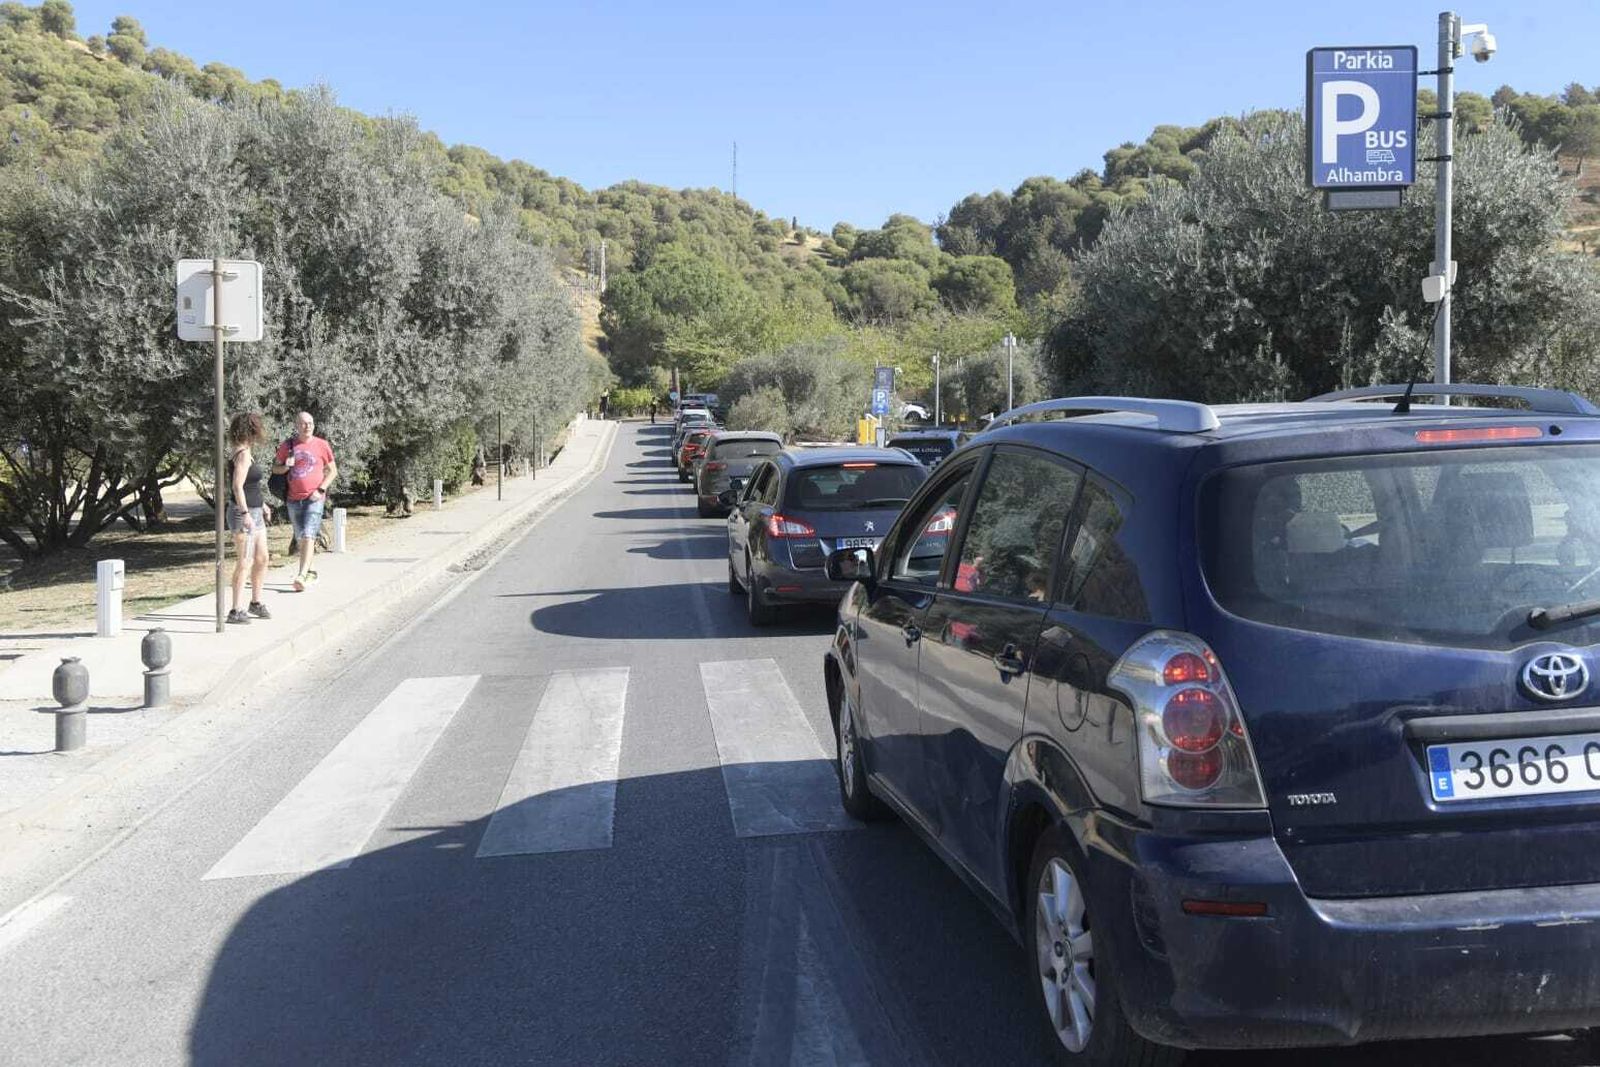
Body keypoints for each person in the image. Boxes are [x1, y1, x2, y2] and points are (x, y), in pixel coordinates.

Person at [273, 411, 337, 592]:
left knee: (309, 534)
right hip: (293, 499)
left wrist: (321, 489)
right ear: (297, 426)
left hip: (314, 498)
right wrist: (286, 466)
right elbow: (275, 469)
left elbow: (333, 471)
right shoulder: (288, 445)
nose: (307, 426)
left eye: (310, 423)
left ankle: (301, 575)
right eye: (303, 423)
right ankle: (311, 571)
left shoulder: (322, 445)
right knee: (301, 538)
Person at [225, 413, 272, 625]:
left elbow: (249, 485)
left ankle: (256, 601)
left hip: (255, 511)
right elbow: (236, 487)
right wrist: (245, 514)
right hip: (242, 513)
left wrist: (262, 505)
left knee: (262, 558)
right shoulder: (242, 454)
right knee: (245, 561)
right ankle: (235, 609)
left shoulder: (246, 450)